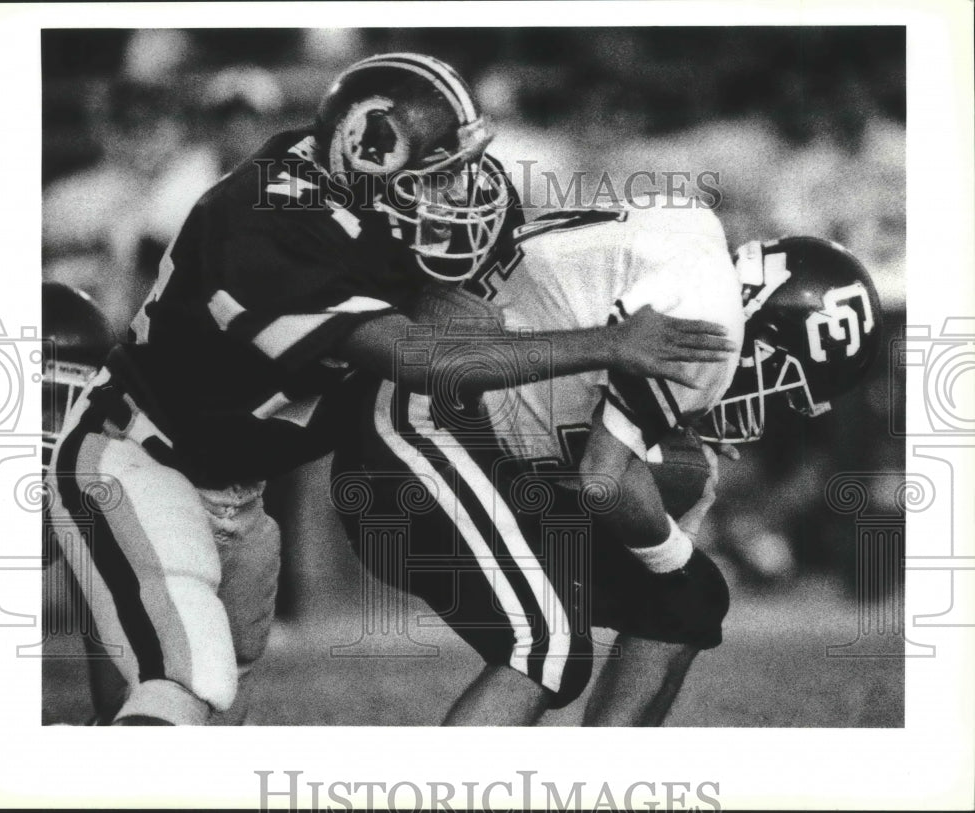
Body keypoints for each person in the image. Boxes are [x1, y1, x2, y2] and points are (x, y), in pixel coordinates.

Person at [44, 53, 736, 726]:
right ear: (368, 159)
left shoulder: (363, 190)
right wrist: (608, 344)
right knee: (185, 678)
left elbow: (478, 313)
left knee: (208, 712)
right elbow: (421, 359)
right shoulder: (264, 224)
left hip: (237, 490)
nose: (462, 190)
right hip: (138, 459)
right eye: (440, 176)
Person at [333, 203, 883, 725]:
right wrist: (673, 556)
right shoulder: (711, 319)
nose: (764, 407)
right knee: (548, 648)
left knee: (691, 602)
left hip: (481, 436)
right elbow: (603, 481)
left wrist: (678, 552)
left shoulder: (694, 241)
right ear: (764, 331)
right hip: (422, 421)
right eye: (780, 381)